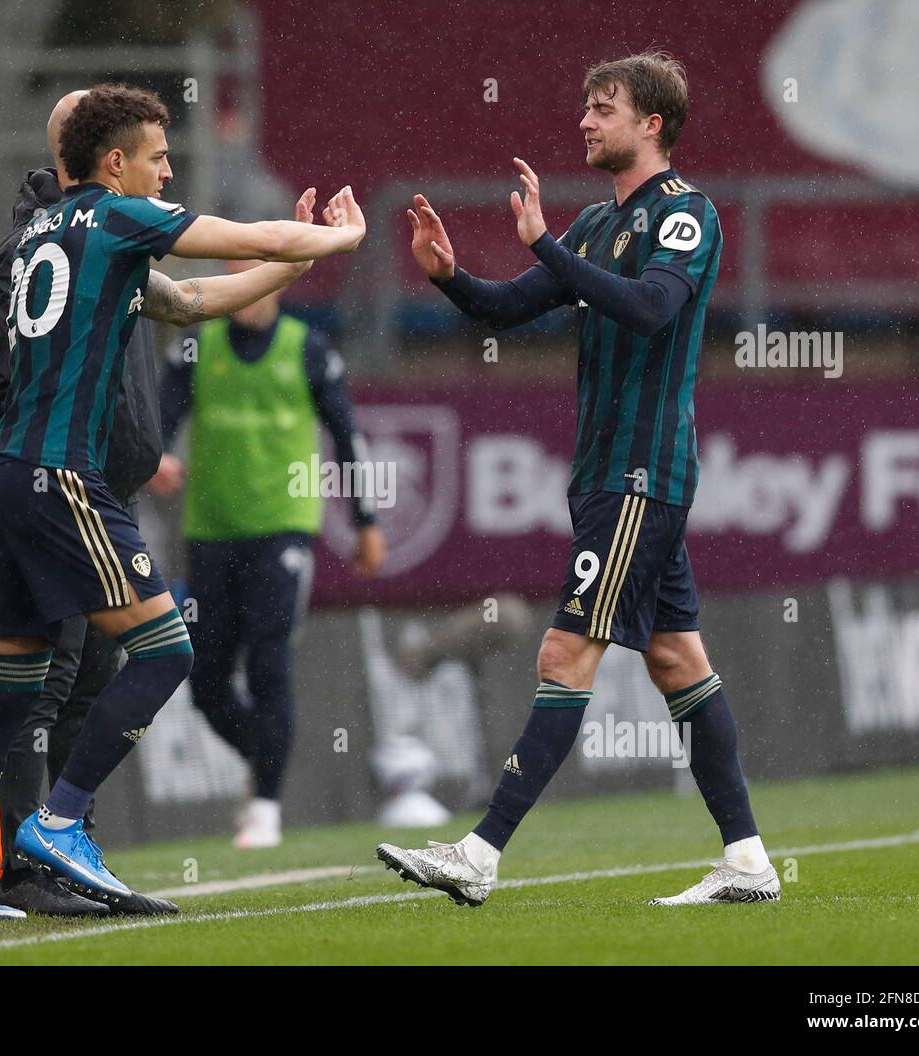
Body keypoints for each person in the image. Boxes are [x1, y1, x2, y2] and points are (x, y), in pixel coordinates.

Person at [0, 81, 365, 919]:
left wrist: (290, 263)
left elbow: (188, 302)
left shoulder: (41, 229)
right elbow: (241, 233)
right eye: (157, 157)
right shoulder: (118, 218)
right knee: (169, 648)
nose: (168, 170)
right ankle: (59, 822)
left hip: (0, 474)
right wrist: (331, 241)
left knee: (10, 684)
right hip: (64, 477)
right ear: (113, 164)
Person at [376, 52, 779, 907]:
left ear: (652, 125)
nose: (586, 121)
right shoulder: (598, 224)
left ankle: (480, 856)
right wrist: (449, 274)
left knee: (564, 651)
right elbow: (505, 307)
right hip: (605, 472)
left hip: (642, 472)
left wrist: (546, 247)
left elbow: (650, 310)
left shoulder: (686, 215)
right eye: (585, 106)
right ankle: (747, 859)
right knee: (674, 658)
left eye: (605, 107)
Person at [152, 261, 386, 848]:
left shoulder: (308, 349)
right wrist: (153, 456)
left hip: (283, 528)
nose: (245, 294)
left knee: (268, 657)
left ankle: (265, 806)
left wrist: (366, 520)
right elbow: (159, 417)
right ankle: (266, 754)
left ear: (280, 286)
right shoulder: (195, 347)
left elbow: (348, 436)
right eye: (234, 279)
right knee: (204, 678)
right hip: (210, 529)